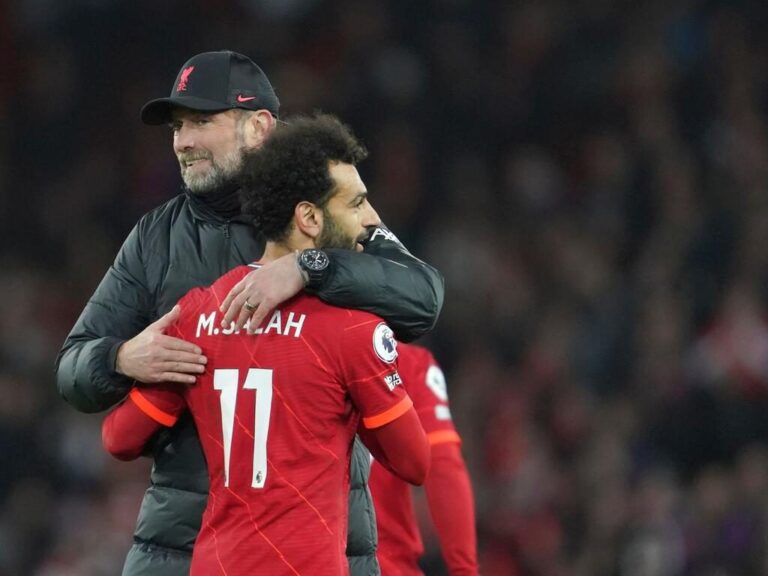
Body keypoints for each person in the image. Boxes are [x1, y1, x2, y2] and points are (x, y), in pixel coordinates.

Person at [55, 50, 444, 576]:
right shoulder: (155, 237)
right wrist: (121, 357)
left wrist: (309, 266)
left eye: (200, 122)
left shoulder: (325, 214)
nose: (182, 141)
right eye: (177, 126)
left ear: (259, 126)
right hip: (182, 542)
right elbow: (73, 369)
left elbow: (423, 295)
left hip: (321, 544)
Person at [369, 343, 479, 575]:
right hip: (382, 563)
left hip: (291, 557)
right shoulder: (401, 359)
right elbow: (444, 466)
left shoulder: (282, 349)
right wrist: (464, 570)